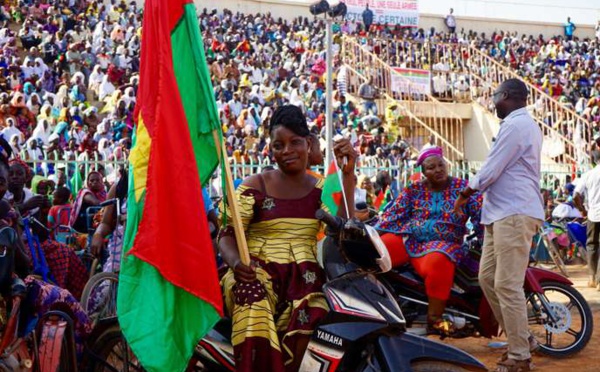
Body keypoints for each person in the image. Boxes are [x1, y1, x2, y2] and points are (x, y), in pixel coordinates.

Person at [218, 105, 356, 372]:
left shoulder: (321, 189)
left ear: (309, 143)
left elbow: (343, 225)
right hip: (253, 273)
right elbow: (226, 235)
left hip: (305, 279)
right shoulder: (255, 185)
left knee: (320, 318)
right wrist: (237, 265)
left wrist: (348, 175)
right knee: (253, 301)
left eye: (295, 142)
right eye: (279, 145)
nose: (287, 151)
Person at [454, 79, 544, 372]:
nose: (493, 103)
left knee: (506, 283)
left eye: (495, 97)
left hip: (514, 214)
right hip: (500, 214)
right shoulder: (519, 125)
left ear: (505, 96)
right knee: (489, 278)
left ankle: (519, 356)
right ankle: (523, 339)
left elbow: (492, 168)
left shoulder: (517, 126)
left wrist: (466, 192)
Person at [378, 147, 482, 333]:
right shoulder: (414, 189)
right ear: (424, 172)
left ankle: (434, 318)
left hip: (444, 244)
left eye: (440, 165)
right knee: (375, 250)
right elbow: (393, 215)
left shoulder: (463, 188)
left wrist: (487, 237)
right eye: (431, 167)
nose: (438, 170)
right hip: (410, 238)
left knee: (438, 261)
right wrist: (373, 231)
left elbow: (481, 215)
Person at [573, 152, 600, 290]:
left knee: (592, 245)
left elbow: (576, 195)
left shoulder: (588, 175)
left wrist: (582, 210)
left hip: (593, 214)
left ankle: (592, 277)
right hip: (594, 213)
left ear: (594, 161)